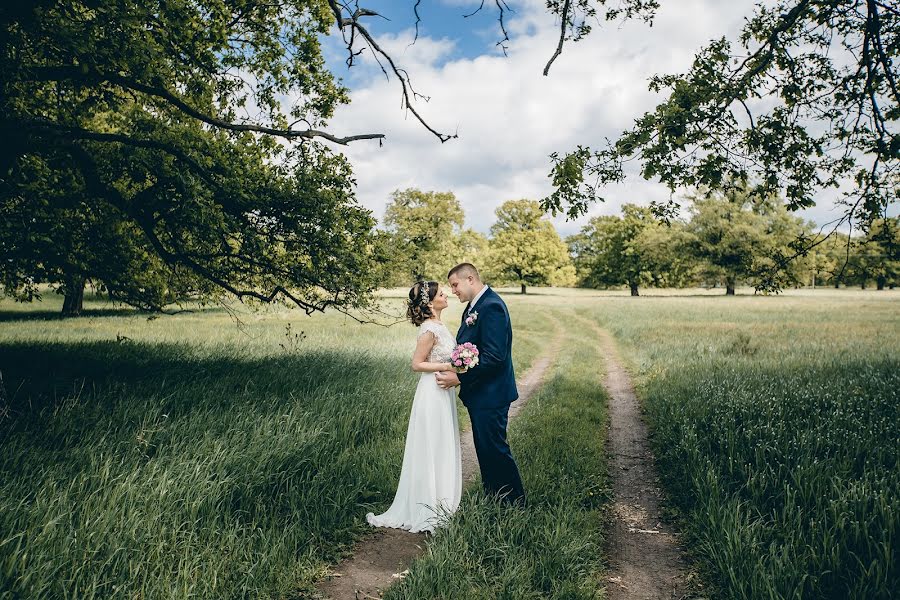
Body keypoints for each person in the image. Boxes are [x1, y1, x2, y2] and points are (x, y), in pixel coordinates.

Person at [366, 281, 462, 533]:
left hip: (443, 393)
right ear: (430, 302)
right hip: (431, 393)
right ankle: (427, 505)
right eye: (441, 292)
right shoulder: (429, 329)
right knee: (431, 444)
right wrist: (449, 367)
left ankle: (442, 502)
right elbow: (417, 364)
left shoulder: (440, 325)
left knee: (441, 443)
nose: (445, 294)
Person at [436, 263, 526, 505]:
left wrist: (459, 377)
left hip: (492, 393)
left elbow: (495, 357)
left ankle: (513, 503)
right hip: (481, 393)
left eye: (455, 284)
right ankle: (495, 497)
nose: (453, 290)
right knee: (485, 449)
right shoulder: (473, 308)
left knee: (494, 449)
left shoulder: (492, 306)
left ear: (470, 279)